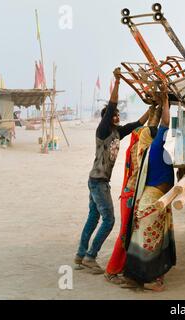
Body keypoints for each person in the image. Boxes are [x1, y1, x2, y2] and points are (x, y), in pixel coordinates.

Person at [74, 68, 155, 273]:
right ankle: (90, 257)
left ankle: (80, 255)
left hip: (99, 181)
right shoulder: (102, 130)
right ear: (108, 118)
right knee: (108, 220)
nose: (117, 117)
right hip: (98, 181)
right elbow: (111, 106)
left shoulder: (118, 132)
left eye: (118, 115)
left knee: (93, 218)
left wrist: (154, 108)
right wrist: (117, 82)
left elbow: (138, 124)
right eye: (115, 115)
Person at [122, 87, 175, 291]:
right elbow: (164, 124)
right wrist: (166, 104)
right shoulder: (156, 149)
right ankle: (152, 281)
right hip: (153, 202)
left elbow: (153, 125)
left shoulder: (144, 150)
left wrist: (158, 105)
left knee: (140, 243)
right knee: (152, 243)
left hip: (145, 202)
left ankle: (133, 277)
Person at [104, 105, 162, 284]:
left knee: (131, 233)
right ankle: (111, 271)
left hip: (130, 194)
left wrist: (155, 110)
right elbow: (149, 132)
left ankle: (125, 269)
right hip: (130, 196)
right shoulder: (140, 152)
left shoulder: (135, 146)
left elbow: (142, 125)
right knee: (125, 233)